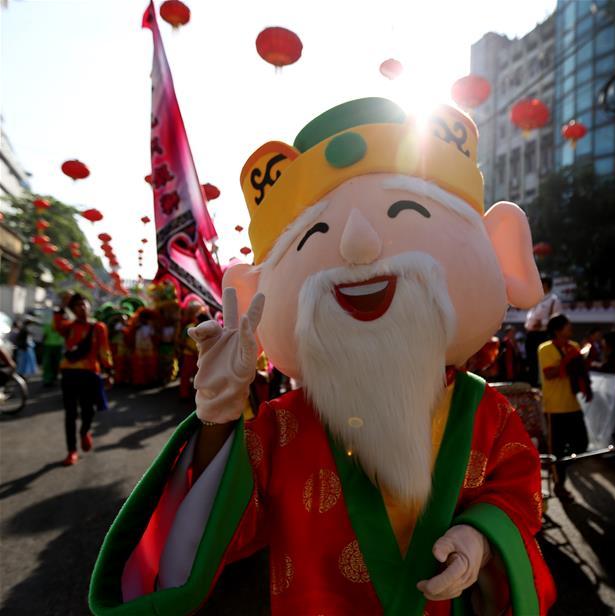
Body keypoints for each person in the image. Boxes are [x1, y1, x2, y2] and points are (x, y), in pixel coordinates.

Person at [89, 97, 555, 615]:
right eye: (317, 235)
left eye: (406, 212)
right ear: (248, 296)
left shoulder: (488, 414)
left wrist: (481, 537)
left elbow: (518, 496)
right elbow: (221, 528)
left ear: (504, 253)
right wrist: (218, 416)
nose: (358, 245)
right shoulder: (285, 427)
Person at [53, 293, 113, 467]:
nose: (81, 307)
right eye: (77, 305)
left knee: (88, 411)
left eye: (83, 304)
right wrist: (61, 307)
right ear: (73, 310)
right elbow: (57, 324)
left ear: (89, 305)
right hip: (69, 375)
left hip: (89, 375)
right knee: (70, 414)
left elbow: (104, 350)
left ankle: (85, 432)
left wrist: (109, 371)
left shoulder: (99, 327)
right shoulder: (68, 327)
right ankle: (71, 451)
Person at [538, 313, 589, 502]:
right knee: (557, 451)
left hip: (573, 405)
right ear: (558, 330)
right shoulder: (545, 349)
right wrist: (570, 361)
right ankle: (559, 484)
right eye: (568, 326)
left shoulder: (574, 346)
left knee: (582, 444)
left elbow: (580, 370)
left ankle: (563, 466)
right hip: (554, 407)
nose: (571, 329)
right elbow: (550, 374)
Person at [524, 276, 561, 386]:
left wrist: (542, 323)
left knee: (540, 360)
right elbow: (529, 317)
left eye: (542, 284)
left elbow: (557, 320)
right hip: (531, 334)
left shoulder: (554, 300)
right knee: (531, 360)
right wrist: (529, 326)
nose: (540, 286)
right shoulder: (536, 299)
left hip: (543, 335)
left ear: (547, 285)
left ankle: (540, 383)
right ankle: (532, 383)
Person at [178, 311, 209, 400]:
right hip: (189, 355)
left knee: (199, 377)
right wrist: (192, 350)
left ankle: (198, 397)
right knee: (185, 376)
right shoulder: (189, 328)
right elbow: (182, 342)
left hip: (201, 356)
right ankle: (184, 395)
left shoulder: (207, 329)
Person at [41, 311, 65, 387]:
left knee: (48, 363)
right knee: (56, 363)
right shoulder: (62, 323)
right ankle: (53, 377)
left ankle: (48, 378)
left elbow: (44, 335)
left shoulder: (49, 323)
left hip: (49, 345)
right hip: (57, 346)